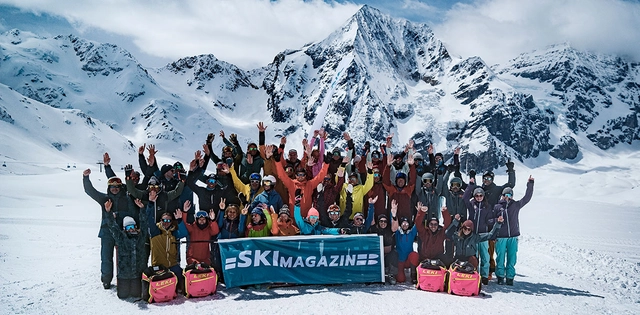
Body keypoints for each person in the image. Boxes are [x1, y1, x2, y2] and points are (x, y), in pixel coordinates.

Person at [83, 168, 138, 289]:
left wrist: (117, 215)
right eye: (112, 187)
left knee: (123, 258)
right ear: (109, 188)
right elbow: (90, 191)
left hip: (122, 233)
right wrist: (86, 178)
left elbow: (132, 214)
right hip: (107, 232)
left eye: (117, 187)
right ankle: (106, 280)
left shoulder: (127, 199)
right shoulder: (104, 198)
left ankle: (122, 279)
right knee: (106, 257)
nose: (115, 189)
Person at [494, 175, 534, 286]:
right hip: (501, 237)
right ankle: (500, 277)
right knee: (500, 258)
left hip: (513, 236)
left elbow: (527, 198)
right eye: (505, 195)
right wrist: (497, 220)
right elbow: (490, 220)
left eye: (510, 195)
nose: (507, 197)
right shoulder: (497, 207)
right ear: (502, 196)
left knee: (512, 258)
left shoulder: (516, 205)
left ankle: (510, 277)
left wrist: (530, 184)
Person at [104, 198, 148, 299]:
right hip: (124, 275)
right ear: (124, 229)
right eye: (128, 227)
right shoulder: (121, 238)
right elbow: (112, 226)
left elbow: (144, 224)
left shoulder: (140, 237)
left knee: (135, 294)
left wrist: (142, 209)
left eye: (132, 226)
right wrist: (108, 212)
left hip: (137, 274)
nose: (131, 229)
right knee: (122, 296)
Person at [147, 190, 188, 294]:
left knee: (183, 283)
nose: (166, 223)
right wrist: (150, 204)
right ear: (161, 220)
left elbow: (184, 233)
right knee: (163, 287)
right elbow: (148, 218)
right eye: (164, 220)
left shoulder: (173, 233)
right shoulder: (155, 231)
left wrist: (180, 220)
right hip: (160, 267)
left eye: (169, 220)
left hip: (173, 265)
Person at [463, 177, 497, 285]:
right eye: (476, 196)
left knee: (485, 256)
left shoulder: (487, 207)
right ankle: (474, 273)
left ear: (483, 196)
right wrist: (470, 186)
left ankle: (484, 276)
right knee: (474, 256)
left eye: (480, 195)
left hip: (483, 235)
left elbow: (490, 220)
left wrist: (496, 221)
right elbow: (464, 198)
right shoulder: (471, 205)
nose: (478, 197)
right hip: (472, 235)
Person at [181, 200, 220, 265]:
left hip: (205, 260)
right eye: (200, 219)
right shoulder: (192, 228)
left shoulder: (209, 230)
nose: (202, 221)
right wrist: (185, 212)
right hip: (192, 259)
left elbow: (215, 231)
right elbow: (183, 225)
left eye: (204, 219)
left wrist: (213, 220)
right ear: (196, 220)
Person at [390, 199, 419, 284]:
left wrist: (419, 213)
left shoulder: (411, 233)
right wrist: (394, 215)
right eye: (403, 223)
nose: (405, 224)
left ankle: (413, 274)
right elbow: (394, 226)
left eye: (406, 223)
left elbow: (417, 224)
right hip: (400, 260)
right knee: (401, 279)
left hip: (409, 259)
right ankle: (396, 273)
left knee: (415, 255)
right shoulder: (398, 232)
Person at [369, 213, 398, 284]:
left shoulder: (389, 230)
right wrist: (371, 205)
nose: (383, 223)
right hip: (376, 256)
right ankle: (373, 275)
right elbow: (371, 219)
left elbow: (395, 228)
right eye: (381, 221)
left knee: (394, 253)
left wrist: (394, 216)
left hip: (387, 256)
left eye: (385, 221)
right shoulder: (374, 230)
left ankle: (391, 275)